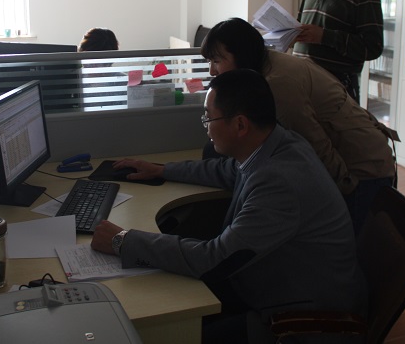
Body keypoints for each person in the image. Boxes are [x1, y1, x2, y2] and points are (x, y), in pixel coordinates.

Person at [91, 69, 366, 344]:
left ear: (240, 125)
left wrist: (123, 240)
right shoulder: (279, 144)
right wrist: (162, 170)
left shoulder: (280, 182)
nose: (206, 126)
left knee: (174, 332)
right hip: (275, 286)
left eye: (209, 117)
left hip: (302, 320)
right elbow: (228, 170)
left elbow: (214, 260)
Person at [201, 18, 396, 234]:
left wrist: (345, 188)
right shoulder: (265, 65)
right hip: (351, 161)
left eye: (216, 61)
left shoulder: (278, 84)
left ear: (241, 55)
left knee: (358, 245)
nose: (212, 71)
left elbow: (315, 145)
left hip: (362, 168)